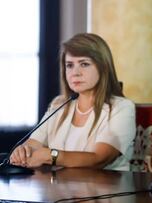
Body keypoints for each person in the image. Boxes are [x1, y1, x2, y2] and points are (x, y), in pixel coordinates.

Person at [9, 33, 136, 171]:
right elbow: (33, 144)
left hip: (108, 190)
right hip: (60, 190)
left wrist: (51, 155)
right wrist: (23, 152)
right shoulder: (59, 104)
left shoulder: (122, 107)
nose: (75, 72)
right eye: (69, 65)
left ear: (103, 67)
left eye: (84, 64)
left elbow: (99, 158)